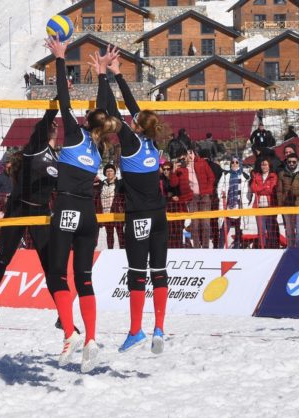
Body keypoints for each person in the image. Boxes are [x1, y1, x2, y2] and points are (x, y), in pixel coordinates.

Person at [44, 37, 121, 373]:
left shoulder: (75, 135)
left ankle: (69, 333)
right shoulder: (100, 145)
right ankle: (90, 338)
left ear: (88, 121)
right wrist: (103, 74)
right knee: (84, 280)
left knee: (57, 275)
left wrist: (60, 60)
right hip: (90, 215)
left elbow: (63, 98)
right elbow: (104, 112)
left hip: (66, 209)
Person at [94, 45, 169, 355]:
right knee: (160, 272)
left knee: (137, 274)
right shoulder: (153, 142)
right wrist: (118, 75)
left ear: (137, 125)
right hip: (159, 216)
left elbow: (110, 111)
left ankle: (136, 329)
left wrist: (102, 76)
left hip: (138, 217)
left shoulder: (131, 141)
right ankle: (160, 328)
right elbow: (134, 107)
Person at [0, 100, 60, 325]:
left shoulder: (57, 156)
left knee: (49, 263)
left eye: (55, 125)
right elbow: (46, 119)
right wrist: (58, 99)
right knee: (4, 256)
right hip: (19, 207)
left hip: (41, 212)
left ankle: (61, 314)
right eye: (51, 125)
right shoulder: (35, 146)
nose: (54, 126)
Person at [217, 157, 250, 248]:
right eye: (232, 162)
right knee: (224, 230)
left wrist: (246, 201)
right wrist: (222, 195)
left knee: (238, 231)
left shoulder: (245, 176)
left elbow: (248, 192)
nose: (234, 164)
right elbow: (219, 188)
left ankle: (237, 248)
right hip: (227, 207)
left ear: (239, 163)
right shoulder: (225, 174)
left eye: (236, 162)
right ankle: (220, 249)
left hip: (240, 207)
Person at [251, 158, 279, 248]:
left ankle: (273, 248)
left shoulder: (273, 176)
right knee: (261, 230)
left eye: (266, 164)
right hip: (259, 207)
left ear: (269, 166)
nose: (264, 166)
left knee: (271, 230)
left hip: (270, 207)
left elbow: (271, 190)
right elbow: (253, 189)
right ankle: (262, 247)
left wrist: (260, 189)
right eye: (262, 164)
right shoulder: (257, 176)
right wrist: (265, 187)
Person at [95, 163, 125, 249]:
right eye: (107, 171)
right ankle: (110, 251)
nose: (109, 173)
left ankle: (123, 251)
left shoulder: (119, 183)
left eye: (111, 171)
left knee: (120, 234)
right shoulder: (101, 184)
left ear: (115, 172)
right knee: (109, 234)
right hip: (105, 213)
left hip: (117, 213)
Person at [276, 153, 299, 247]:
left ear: (297, 162)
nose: (291, 163)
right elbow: (279, 191)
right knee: (289, 230)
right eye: (289, 162)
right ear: (286, 162)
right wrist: (281, 205)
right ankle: (290, 248)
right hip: (287, 205)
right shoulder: (282, 174)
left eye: (294, 162)